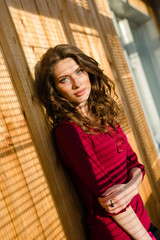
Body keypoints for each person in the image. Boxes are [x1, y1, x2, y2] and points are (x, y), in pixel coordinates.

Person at [35, 44, 160, 240]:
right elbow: (110, 200)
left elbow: (135, 164)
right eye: (64, 80)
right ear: (56, 90)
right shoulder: (69, 132)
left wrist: (132, 187)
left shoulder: (105, 118)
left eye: (79, 71)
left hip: (144, 225)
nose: (77, 83)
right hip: (122, 234)